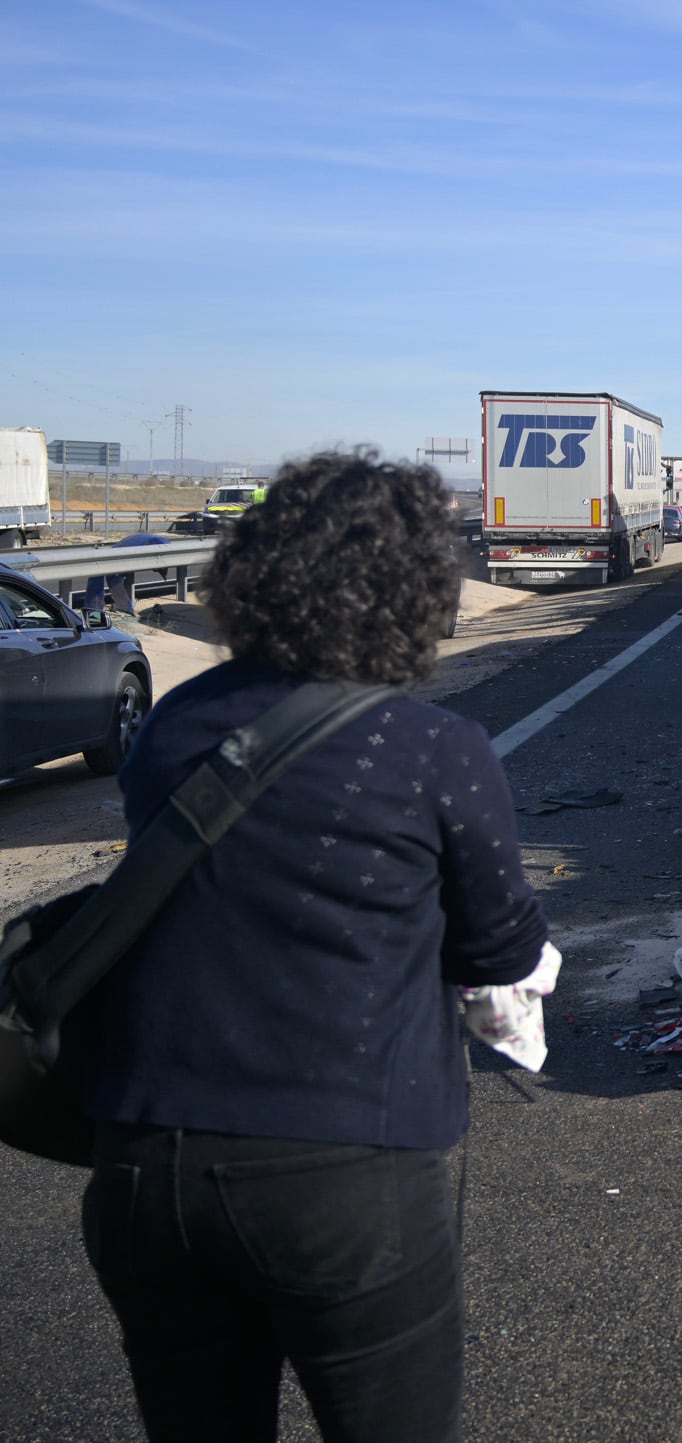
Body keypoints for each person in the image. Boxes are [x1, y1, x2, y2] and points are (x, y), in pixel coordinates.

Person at [78, 449, 548, 1443]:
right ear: (414, 590)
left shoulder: (172, 726)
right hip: (344, 1171)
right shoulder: (434, 747)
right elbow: (502, 948)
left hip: (144, 1168)